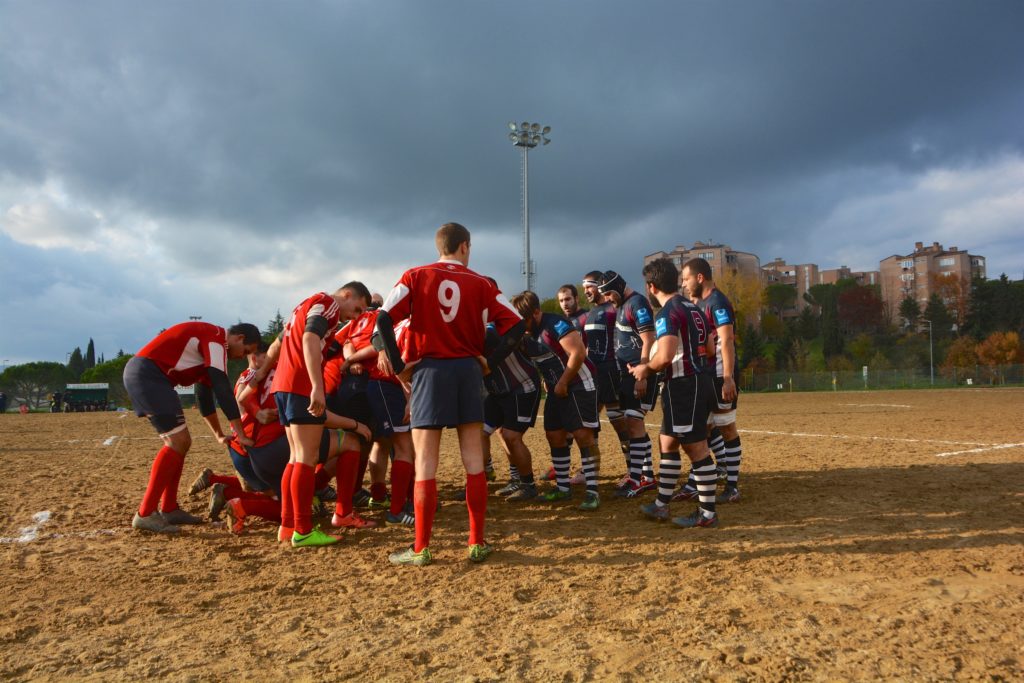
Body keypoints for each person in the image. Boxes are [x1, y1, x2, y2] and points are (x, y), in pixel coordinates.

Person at [375, 222, 525, 566]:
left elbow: (383, 320)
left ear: (440, 246)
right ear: (465, 247)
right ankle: (475, 542)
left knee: (426, 462)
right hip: (468, 371)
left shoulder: (415, 275)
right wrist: (491, 361)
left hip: (429, 371)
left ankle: (421, 549)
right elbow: (516, 324)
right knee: (474, 461)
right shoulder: (483, 283)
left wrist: (399, 367)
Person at [260, 282, 371, 547]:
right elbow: (309, 339)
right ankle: (304, 530)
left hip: (284, 386)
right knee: (306, 459)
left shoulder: (305, 305)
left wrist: (261, 376)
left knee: (296, 458)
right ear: (347, 295)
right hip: (300, 386)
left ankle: (289, 526)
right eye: (357, 308)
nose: (355, 316)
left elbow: (282, 343)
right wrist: (316, 387)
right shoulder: (328, 303)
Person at [123, 321, 261, 533]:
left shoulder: (214, 348)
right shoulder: (216, 338)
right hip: (148, 375)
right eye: (246, 351)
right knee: (177, 442)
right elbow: (222, 389)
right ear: (239, 338)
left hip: (150, 376)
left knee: (181, 443)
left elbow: (204, 396)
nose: (242, 356)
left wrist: (218, 434)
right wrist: (240, 433)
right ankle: (146, 513)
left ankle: (169, 508)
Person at [629, 258, 720, 528]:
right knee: (667, 442)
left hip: (684, 386)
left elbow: (666, 356)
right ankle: (661, 506)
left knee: (697, 448)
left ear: (651, 286)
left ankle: (708, 514)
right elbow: (710, 348)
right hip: (693, 382)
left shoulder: (668, 313)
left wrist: (644, 370)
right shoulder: (694, 308)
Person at [512, 291, 601, 510]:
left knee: (583, 435)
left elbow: (578, 353)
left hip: (579, 384)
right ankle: (563, 489)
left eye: (525, 319)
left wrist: (562, 381)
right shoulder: (527, 333)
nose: (522, 325)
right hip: (556, 387)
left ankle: (593, 491)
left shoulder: (556, 323)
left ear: (535, 312)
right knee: (554, 434)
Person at [681, 258, 743, 503]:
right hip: (705, 375)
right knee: (703, 429)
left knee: (727, 428)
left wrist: (728, 378)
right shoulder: (702, 302)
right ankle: (696, 482)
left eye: (686, 279)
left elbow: (727, 340)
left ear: (699, 278)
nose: (684, 285)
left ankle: (732, 487)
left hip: (720, 375)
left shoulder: (717, 302)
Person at [598, 270, 658, 497]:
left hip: (639, 374)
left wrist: (643, 374)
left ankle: (637, 479)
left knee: (634, 423)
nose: (608, 299)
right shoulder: (623, 305)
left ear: (619, 288)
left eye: (610, 294)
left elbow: (649, 338)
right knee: (635, 425)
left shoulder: (637, 303)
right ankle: (647, 476)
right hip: (627, 374)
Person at [581, 270, 629, 463]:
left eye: (589, 286)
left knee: (619, 422)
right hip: (594, 374)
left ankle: (634, 470)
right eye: (584, 288)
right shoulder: (592, 312)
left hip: (611, 371)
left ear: (600, 285)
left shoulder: (614, 309)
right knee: (589, 421)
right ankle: (591, 470)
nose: (586, 291)